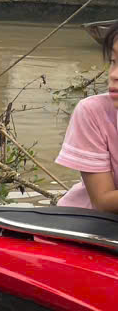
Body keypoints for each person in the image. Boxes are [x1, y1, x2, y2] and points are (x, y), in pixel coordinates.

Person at [56, 22, 118, 213]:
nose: (114, 75)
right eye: (114, 61)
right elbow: (103, 201)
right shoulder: (94, 112)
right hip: (88, 226)